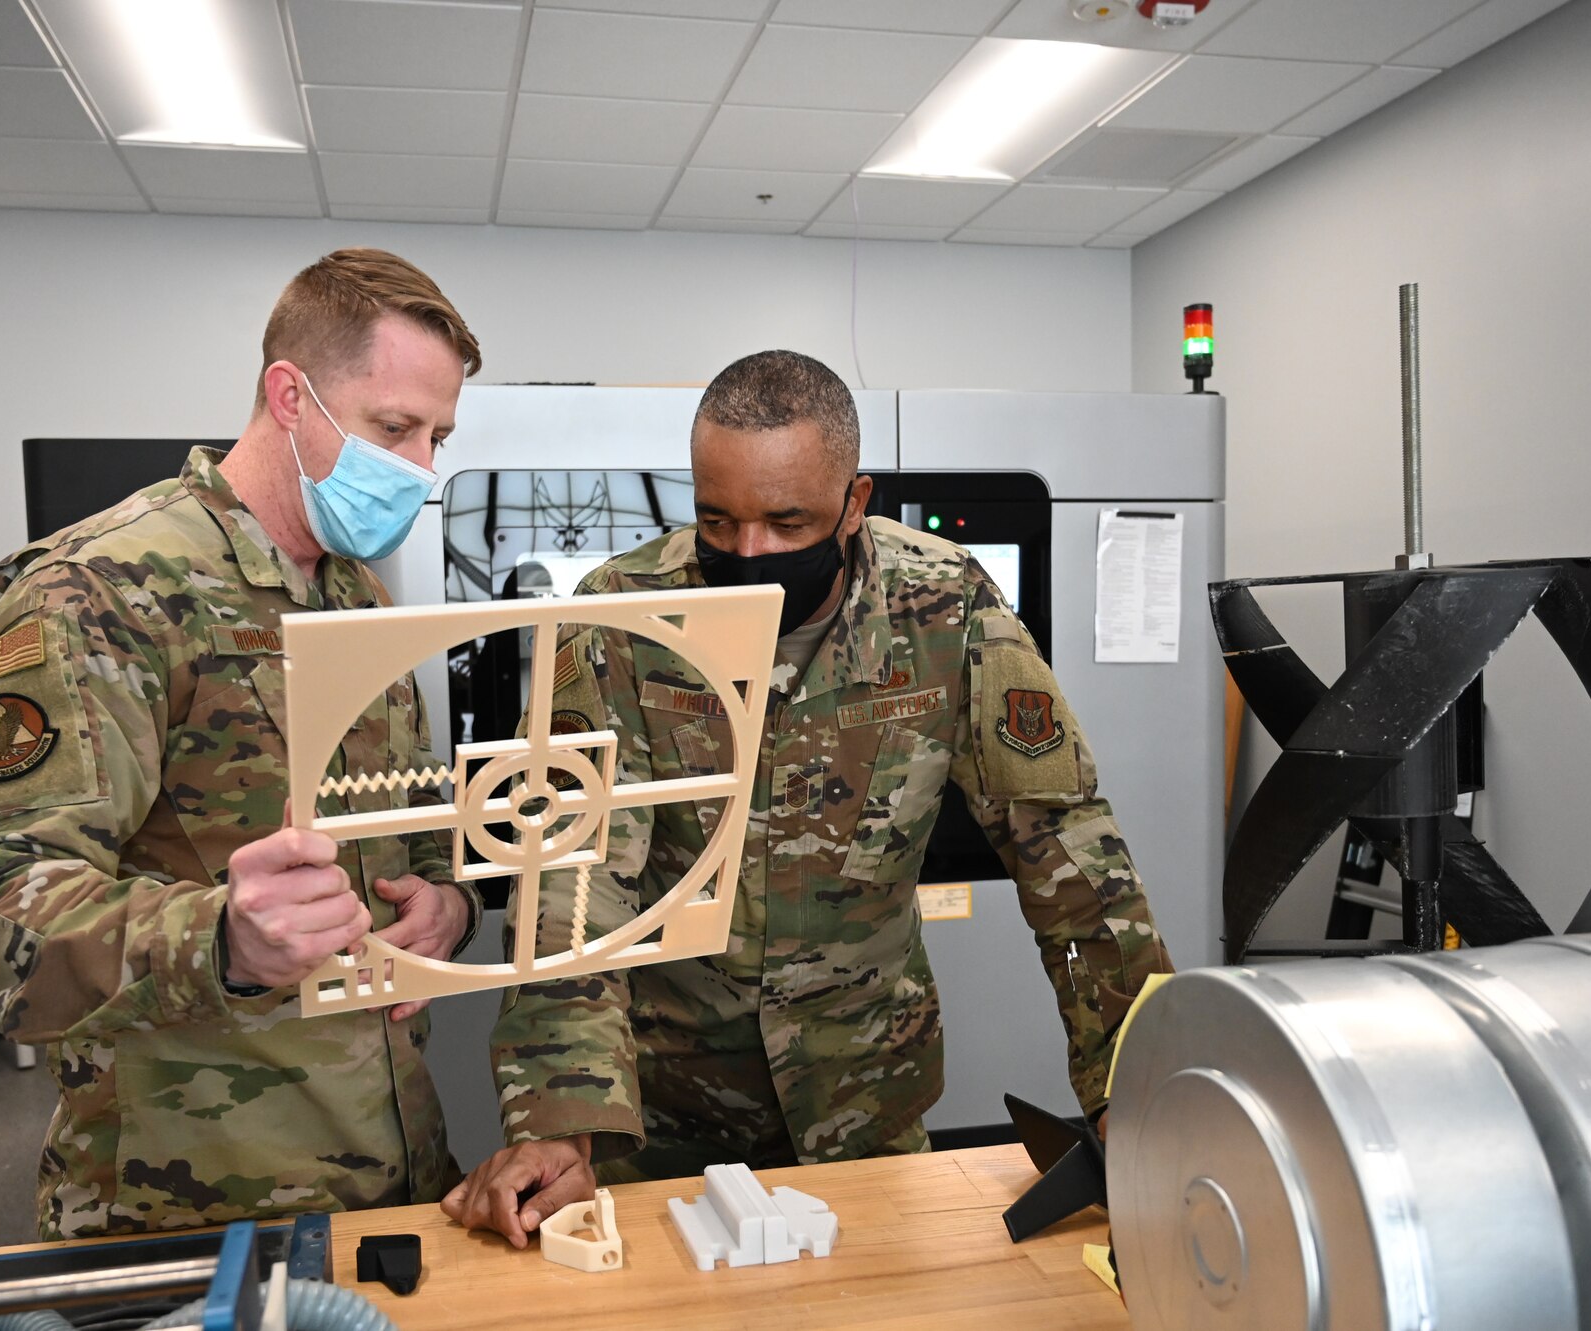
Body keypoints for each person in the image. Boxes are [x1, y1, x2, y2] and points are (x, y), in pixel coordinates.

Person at [444, 350, 1172, 1246]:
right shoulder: (623, 615)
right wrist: (559, 1116)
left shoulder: (946, 608)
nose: (749, 553)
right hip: (664, 1116)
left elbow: (1072, 861)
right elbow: (567, 875)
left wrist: (1136, 1091)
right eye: (718, 518)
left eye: (787, 522)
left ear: (854, 502)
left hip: (863, 1107)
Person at [0, 248, 484, 1239]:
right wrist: (219, 938)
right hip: (186, 1206)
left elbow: (402, 836)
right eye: (394, 428)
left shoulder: (353, 593)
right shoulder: (95, 590)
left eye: (435, 436)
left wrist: (446, 903)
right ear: (288, 394)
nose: (419, 469)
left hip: (384, 1173)